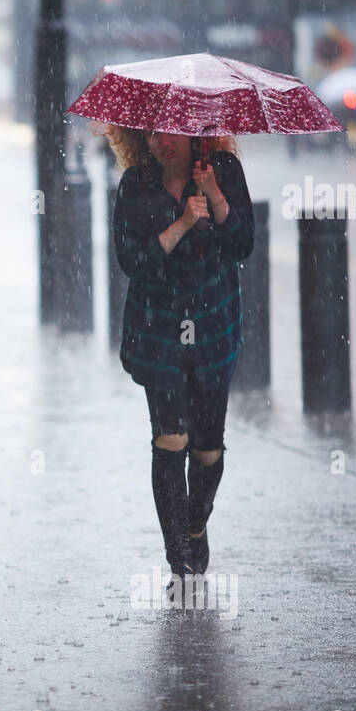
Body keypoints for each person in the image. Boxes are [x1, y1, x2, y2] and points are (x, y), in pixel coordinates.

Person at [105, 125, 254, 583]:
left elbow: (243, 244)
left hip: (212, 325)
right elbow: (132, 261)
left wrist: (215, 196)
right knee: (170, 438)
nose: (162, 143)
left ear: (196, 134)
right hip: (160, 328)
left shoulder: (223, 170)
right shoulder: (136, 183)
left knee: (207, 449)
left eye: (173, 133)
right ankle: (177, 554)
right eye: (152, 135)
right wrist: (183, 223)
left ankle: (195, 522)